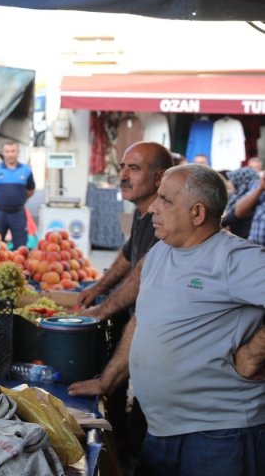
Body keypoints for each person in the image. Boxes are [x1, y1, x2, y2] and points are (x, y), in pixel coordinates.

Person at [70, 164, 265, 475]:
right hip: (161, 430)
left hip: (220, 435)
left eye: (165, 200)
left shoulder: (235, 258)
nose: (153, 208)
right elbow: (142, 322)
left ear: (197, 213)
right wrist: (109, 380)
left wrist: (253, 354)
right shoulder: (160, 253)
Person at [72, 141, 173, 466]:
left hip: (163, 351)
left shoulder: (166, 221)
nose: (123, 176)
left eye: (134, 168)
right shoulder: (144, 215)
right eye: (122, 167)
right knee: (139, 424)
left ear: (159, 178)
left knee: (149, 433)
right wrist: (97, 289)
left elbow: (141, 273)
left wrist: (101, 310)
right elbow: (128, 257)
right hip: (142, 336)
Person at [0, 141, 35, 249]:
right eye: (7, 151)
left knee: (21, 247)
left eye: (13, 151)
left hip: (18, 213)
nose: (10, 154)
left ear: (18, 152)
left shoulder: (26, 170)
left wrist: (21, 199)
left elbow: (31, 190)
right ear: (3, 153)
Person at [221, 165, 259, 239]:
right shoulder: (243, 195)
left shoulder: (249, 197)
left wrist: (220, 222)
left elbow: (233, 216)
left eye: (232, 179)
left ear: (240, 180)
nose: (229, 183)